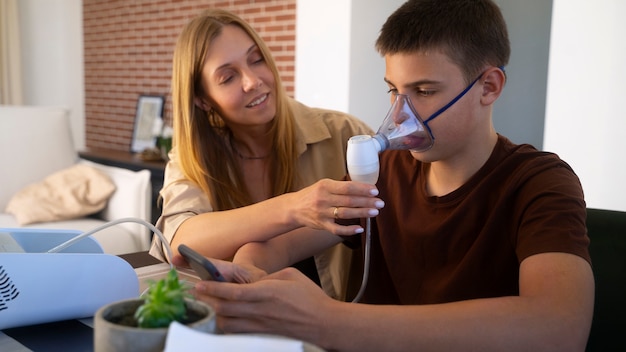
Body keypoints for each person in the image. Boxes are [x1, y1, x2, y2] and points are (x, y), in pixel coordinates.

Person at [178, 0, 595, 351]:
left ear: (488, 86)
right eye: (393, 90)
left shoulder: (539, 183)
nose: (398, 115)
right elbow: (268, 250)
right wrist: (252, 275)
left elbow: (559, 326)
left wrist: (328, 319)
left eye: (425, 92)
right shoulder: (385, 175)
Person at [148, 8, 378, 301]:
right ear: (203, 100)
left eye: (257, 60)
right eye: (228, 77)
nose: (252, 81)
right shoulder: (192, 158)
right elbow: (182, 240)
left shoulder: (345, 133)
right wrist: (294, 207)